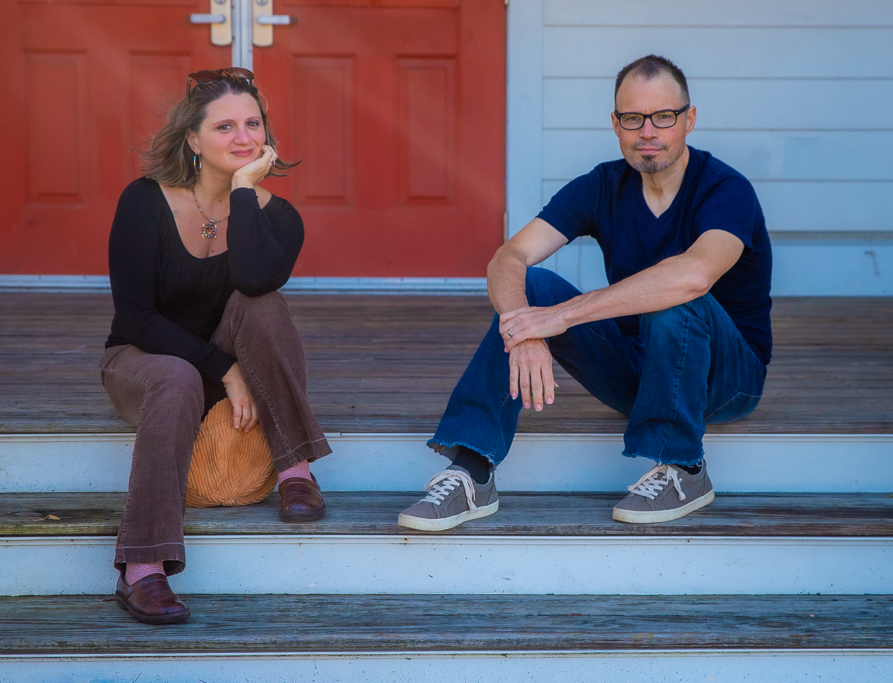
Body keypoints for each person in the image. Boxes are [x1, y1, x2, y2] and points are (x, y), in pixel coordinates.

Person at [398, 55, 771, 531]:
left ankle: (685, 468)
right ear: (615, 124)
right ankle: (472, 469)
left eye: (664, 116)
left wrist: (562, 316)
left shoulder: (726, 190)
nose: (648, 131)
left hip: (727, 380)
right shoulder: (602, 186)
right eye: (633, 118)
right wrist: (524, 331)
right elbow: (509, 257)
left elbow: (695, 275)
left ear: (689, 119)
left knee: (676, 298)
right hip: (641, 371)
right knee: (529, 289)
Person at [100, 68, 331, 624]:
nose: (243, 137)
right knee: (177, 376)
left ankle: (295, 470)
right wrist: (224, 368)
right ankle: (142, 567)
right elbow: (136, 319)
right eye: (224, 127)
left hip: (229, 353)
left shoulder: (280, 218)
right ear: (193, 139)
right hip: (143, 362)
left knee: (264, 305)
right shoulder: (144, 201)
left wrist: (244, 190)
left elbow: (253, 279)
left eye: (253, 124)